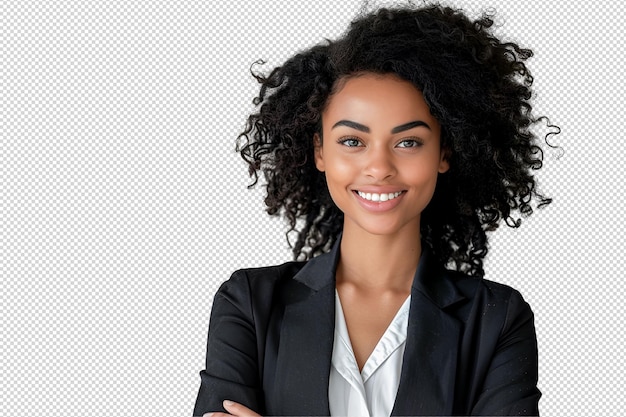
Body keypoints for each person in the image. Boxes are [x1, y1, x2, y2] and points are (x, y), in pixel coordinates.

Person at [194, 3, 558, 416]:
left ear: (445, 152)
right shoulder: (250, 304)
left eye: (408, 142)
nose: (380, 168)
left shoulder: (495, 320)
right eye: (352, 141)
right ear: (319, 151)